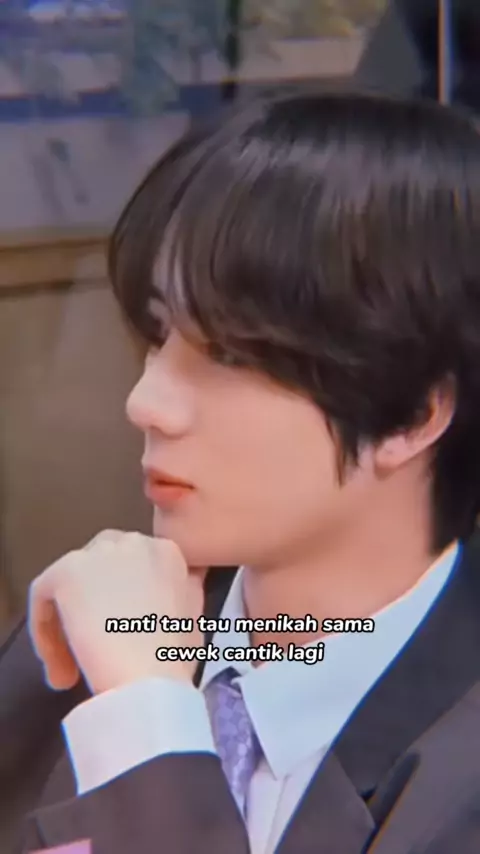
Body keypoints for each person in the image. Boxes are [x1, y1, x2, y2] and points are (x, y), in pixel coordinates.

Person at [2, 90, 480, 854]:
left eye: (227, 354)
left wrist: (145, 725)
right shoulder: (82, 641)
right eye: (159, 333)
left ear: (411, 417)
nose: (146, 403)